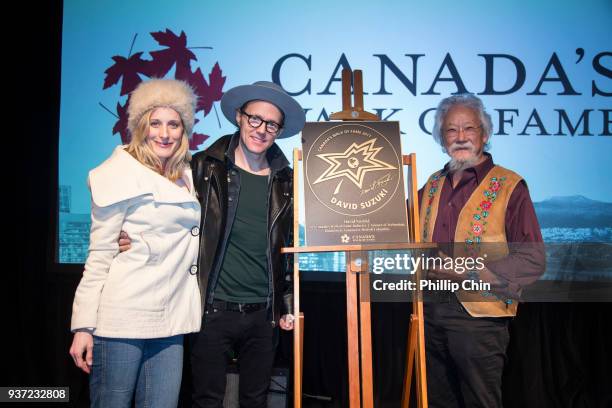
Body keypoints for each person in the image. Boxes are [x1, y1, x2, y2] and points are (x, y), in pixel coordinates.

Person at [119, 81, 305, 407]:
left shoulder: (287, 182)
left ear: (279, 130)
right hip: (211, 309)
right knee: (206, 399)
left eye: (271, 124)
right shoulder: (203, 167)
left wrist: (287, 305)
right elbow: (168, 216)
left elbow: (286, 249)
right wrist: (133, 235)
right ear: (239, 117)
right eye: (254, 119)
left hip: (264, 314)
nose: (261, 129)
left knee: (256, 400)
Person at [69, 78, 202, 408]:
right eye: (155, 123)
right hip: (122, 318)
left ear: (184, 130)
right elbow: (99, 255)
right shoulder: (117, 173)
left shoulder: (189, 173)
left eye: (174, 124)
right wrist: (83, 326)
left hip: (171, 320)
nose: (164, 133)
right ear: (140, 126)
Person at [417, 93, 545, 408]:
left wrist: (472, 272)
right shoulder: (432, 185)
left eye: (468, 129)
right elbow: (396, 226)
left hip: (479, 319)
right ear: (441, 138)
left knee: (480, 402)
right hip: (430, 312)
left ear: (484, 135)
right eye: (451, 130)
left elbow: (533, 258)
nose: (460, 137)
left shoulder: (509, 185)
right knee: (437, 401)